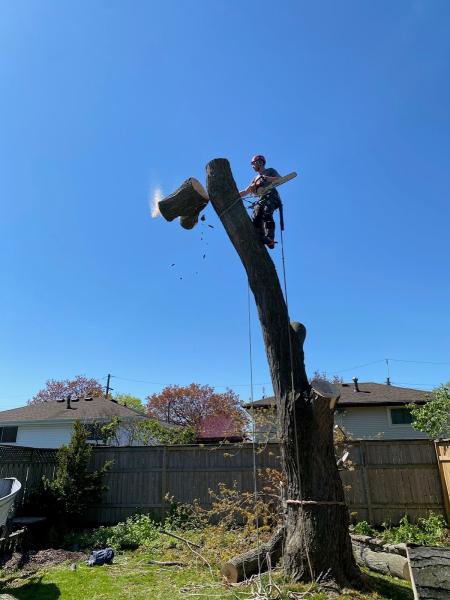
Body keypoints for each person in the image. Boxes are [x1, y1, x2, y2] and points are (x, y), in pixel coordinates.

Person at [239, 155, 281, 249]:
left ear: (260, 162)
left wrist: (267, 178)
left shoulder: (270, 171)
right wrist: (234, 194)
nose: (252, 166)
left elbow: (280, 179)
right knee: (256, 215)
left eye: (253, 163)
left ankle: (270, 238)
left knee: (267, 213)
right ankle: (260, 235)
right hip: (262, 199)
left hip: (271, 196)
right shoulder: (255, 179)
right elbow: (246, 191)